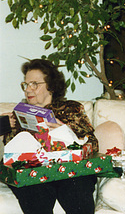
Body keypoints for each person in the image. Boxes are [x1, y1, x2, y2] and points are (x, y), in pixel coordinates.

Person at [3, 59, 99, 214]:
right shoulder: (17, 116)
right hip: (33, 173)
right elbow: (10, 154)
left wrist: (67, 132)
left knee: (77, 187)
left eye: (34, 84)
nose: (28, 90)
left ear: (51, 86)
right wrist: (4, 126)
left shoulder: (70, 110)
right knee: (34, 189)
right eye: (26, 85)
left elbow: (93, 144)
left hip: (68, 170)